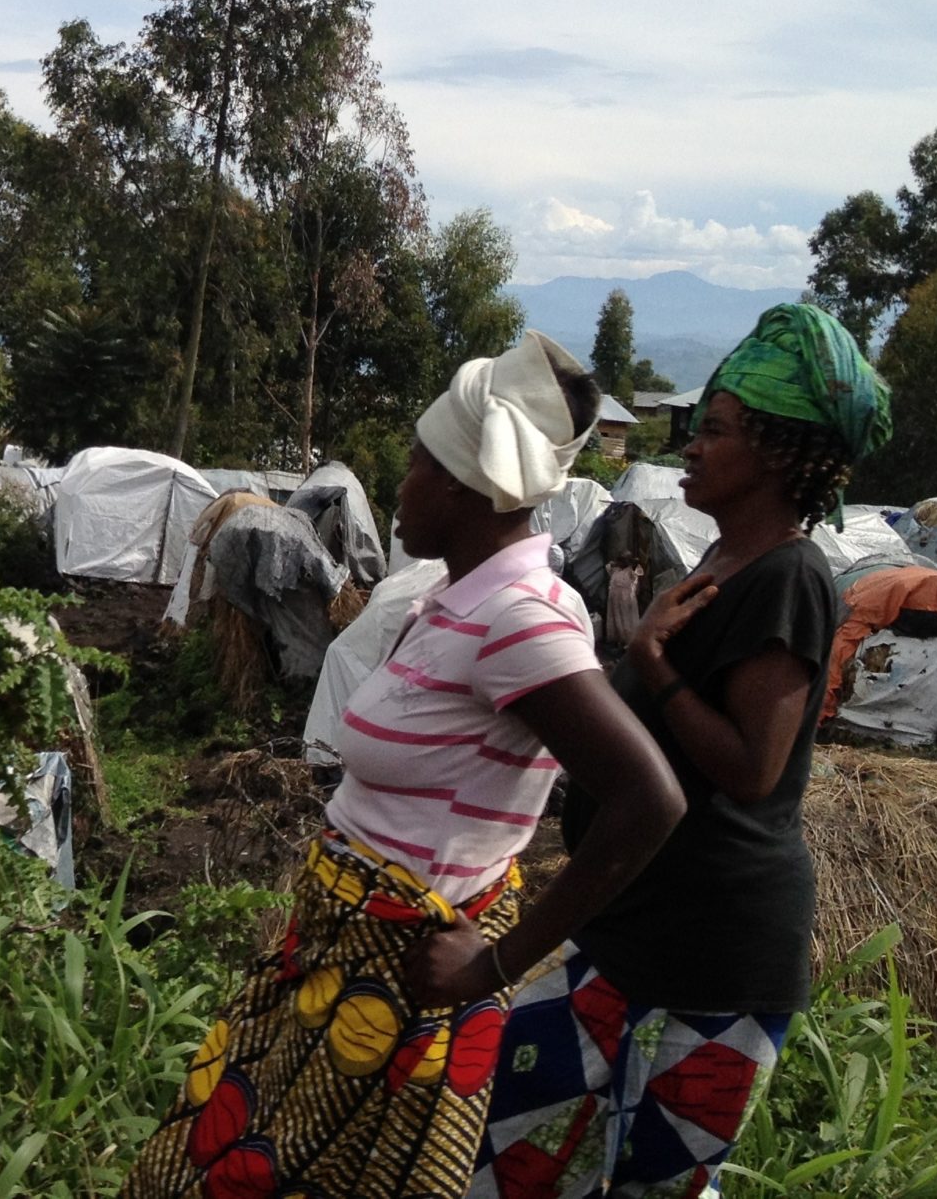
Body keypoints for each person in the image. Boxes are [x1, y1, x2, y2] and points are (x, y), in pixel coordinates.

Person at [132, 333, 688, 1199]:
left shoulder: (520, 616)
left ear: (471, 485)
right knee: (201, 1161)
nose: (402, 478)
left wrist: (497, 963)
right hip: (333, 953)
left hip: (397, 992)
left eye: (423, 460)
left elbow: (647, 799)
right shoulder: (451, 597)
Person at [470, 304, 888, 1199]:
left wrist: (654, 664)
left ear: (777, 454)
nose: (692, 445)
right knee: (511, 1153)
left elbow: (750, 767)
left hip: (712, 957)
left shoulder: (790, 575)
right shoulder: (721, 565)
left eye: (719, 431)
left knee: (639, 1184)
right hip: (630, 927)